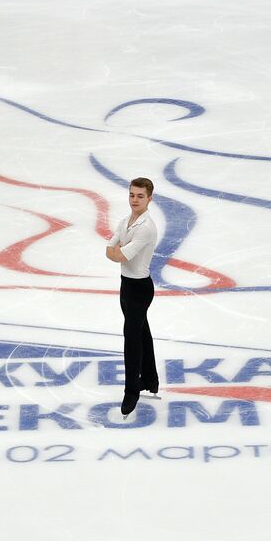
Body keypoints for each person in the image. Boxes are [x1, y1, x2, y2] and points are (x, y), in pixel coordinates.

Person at [105, 177, 160, 417]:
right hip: (126, 285)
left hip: (140, 289)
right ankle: (150, 379)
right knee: (141, 331)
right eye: (132, 195)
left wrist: (117, 252)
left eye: (140, 196)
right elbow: (109, 251)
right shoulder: (125, 221)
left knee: (132, 339)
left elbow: (120, 256)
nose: (134, 200)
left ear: (149, 198)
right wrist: (116, 252)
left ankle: (132, 391)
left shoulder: (146, 227)